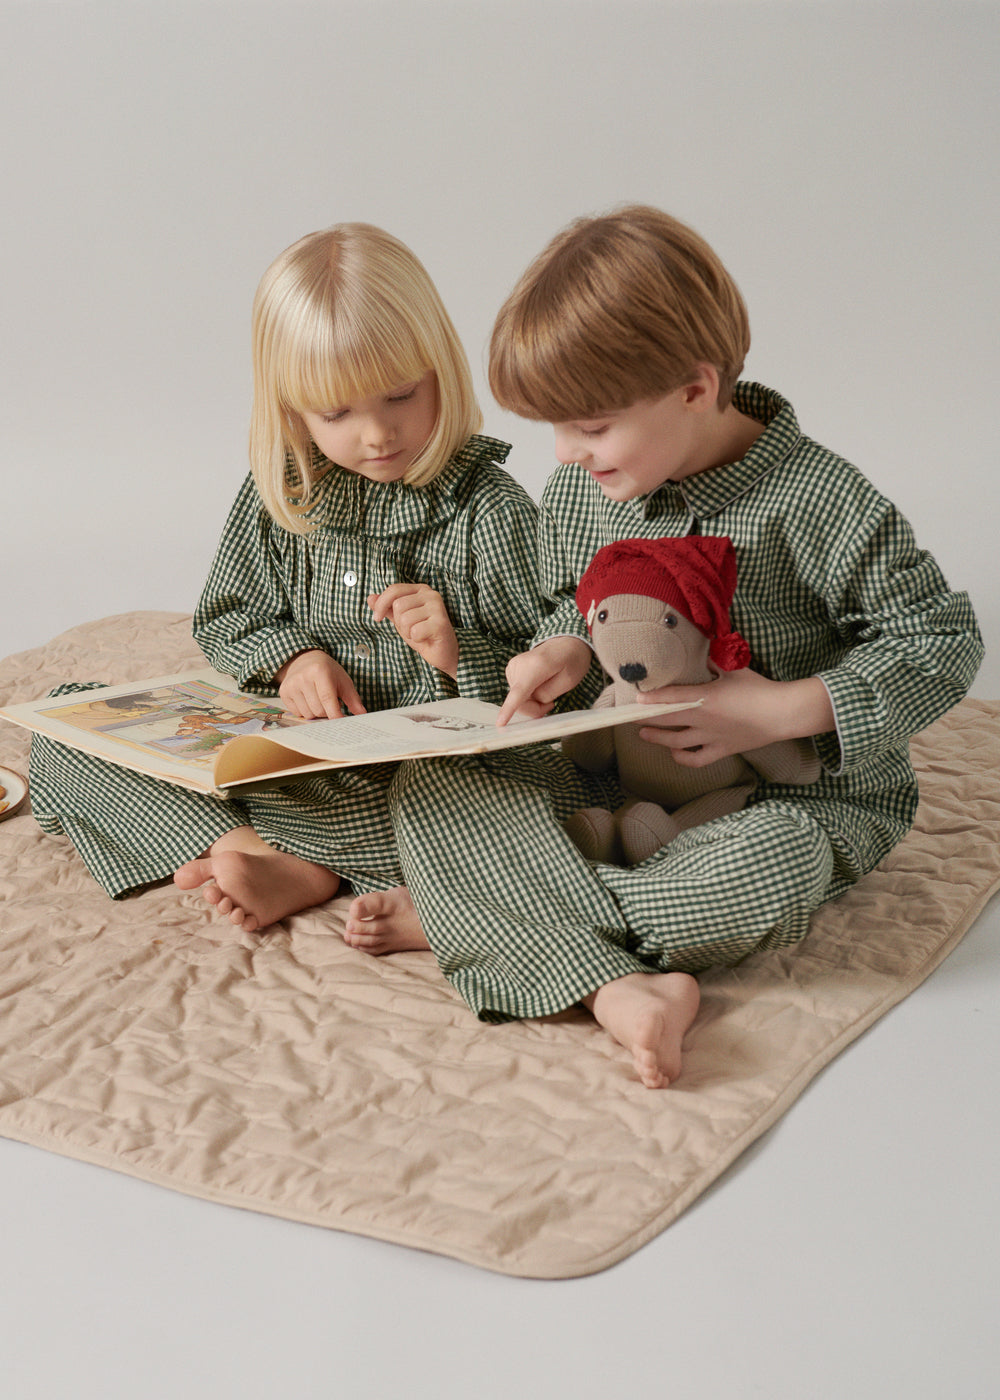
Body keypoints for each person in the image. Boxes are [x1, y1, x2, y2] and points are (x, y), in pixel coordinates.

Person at [383, 204, 984, 1088]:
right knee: (433, 778)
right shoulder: (585, 490)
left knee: (767, 870)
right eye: (555, 429)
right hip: (609, 782)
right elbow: (564, 602)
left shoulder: (819, 499)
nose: (566, 454)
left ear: (696, 389)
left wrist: (781, 711)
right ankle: (606, 968)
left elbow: (940, 639)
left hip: (779, 803)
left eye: (592, 427)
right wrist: (562, 653)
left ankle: (485, 912)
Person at [30, 223, 548, 934]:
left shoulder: (488, 506)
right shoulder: (286, 492)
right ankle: (255, 849)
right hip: (295, 770)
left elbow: (559, 680)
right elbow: (226, 616)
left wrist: (460, 654)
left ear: (441, 370)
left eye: (401, 395)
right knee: (69, 724)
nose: (377, 433)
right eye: (337, 412)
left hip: (421, 785)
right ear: (293, 410)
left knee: (488, 813)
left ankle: (303, 859)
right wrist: (293, 659)